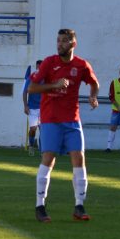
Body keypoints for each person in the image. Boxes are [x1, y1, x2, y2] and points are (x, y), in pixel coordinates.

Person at [27, 28, 99, 223]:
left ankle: (79, 205)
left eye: (64, 41)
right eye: (58, 41)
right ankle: (40, 206)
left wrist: (93, 96)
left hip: (72, 121)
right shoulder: (50, 63)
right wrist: (54, 85)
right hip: (51, 119)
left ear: (73, 44)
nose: (60, 44)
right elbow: (32, 88)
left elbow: (94, 83)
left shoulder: (81, 65)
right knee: (48, 159)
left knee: (79, 158)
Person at [23, 59, 43, 156]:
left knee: (43, 129)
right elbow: (25, 91)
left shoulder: (46, 78)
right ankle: (31, 145)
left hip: (43, 108)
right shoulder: (31, 78)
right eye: (38, 67)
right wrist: (25, 106)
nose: (39, 68)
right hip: (32, 108)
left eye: (41, 67)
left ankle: (42, 150)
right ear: (36, 67)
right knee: (33, 129)